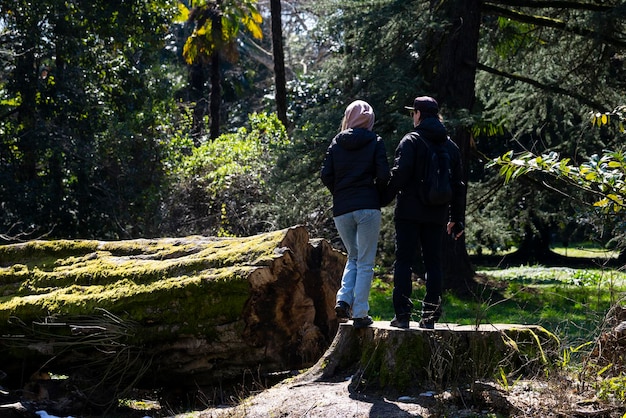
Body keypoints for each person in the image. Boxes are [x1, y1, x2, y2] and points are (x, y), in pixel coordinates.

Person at [386, 96, 466, 329]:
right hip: (436, 215)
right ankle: (429, 317)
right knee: (434, 263)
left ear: (419, 114)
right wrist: (456, 219)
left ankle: (402, 317)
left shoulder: (411, 141)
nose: (413, 116)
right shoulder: (451, 146)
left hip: (409, 213)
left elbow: (399, 174)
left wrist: (382, 198)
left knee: (404, 262)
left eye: (414, 113)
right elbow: (458, 186)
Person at [321, 100, 390, 329]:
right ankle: (360, 312)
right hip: (367, 207)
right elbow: (383, 175)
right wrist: (376, 195)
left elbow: (325, 175)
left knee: (353, 256)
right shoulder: (375, 141)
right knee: (366, 262)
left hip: (342, 209)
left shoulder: (336, 143)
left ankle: (343, 299)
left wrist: (340, 193)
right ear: (370, 120)